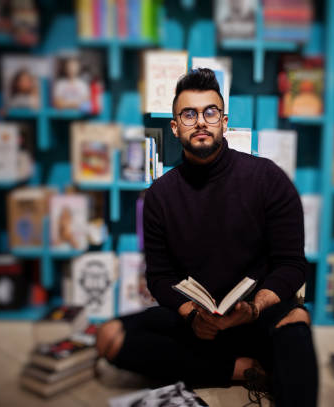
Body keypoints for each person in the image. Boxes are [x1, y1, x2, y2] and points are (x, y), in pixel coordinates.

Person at [96, 68, 318, 406]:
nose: (201, 121)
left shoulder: (268, 178)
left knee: (297, 319)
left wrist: (255, 308)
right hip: (196, 321)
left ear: (224, 122)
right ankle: (240, 370)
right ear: (175, 127)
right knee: (109, 336)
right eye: (189, 114)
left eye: (210, 112)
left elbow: (291, 265)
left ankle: (239, 367)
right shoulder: (159, 195)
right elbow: (159, 277)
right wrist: (191, 315)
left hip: (254, 315)